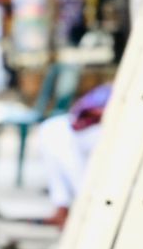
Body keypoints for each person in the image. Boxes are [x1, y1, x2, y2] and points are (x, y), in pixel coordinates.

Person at [37, 82, 111, 228]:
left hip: (112, 129)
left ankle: (84, 202)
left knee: (61, 139)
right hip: (91, 125)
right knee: (50, 128)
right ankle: (62, 205)